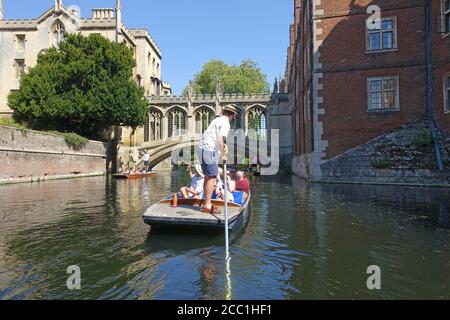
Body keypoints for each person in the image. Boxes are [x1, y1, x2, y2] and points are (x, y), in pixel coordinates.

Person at [197, 110, 235, 214]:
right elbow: (219, 138)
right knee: (212, 177)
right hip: (209, 150)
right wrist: (223, 154)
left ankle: (206, 203)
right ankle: (207, 205)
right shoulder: (226, 123)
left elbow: (215, 137)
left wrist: (223, 146)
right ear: (232, 115)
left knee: (207, 176)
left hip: (201, 148)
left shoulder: (216, 120)